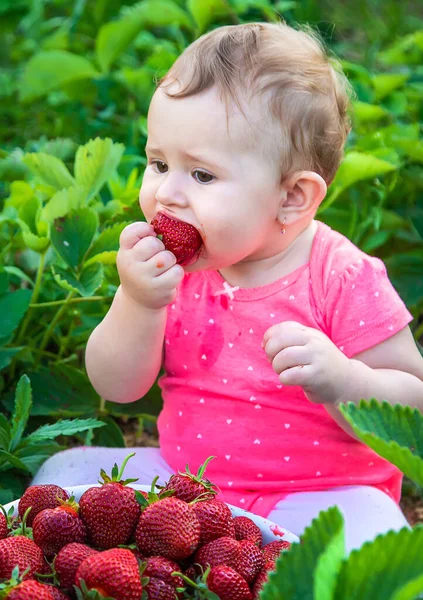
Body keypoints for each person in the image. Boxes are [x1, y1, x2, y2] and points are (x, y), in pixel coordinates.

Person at [33, 21, 423, 552]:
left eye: (202, 175)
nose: (166, 193)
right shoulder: (176, 272)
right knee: (63, 472)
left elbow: (413, 412)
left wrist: (344, 380)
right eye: (159, 163)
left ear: (291, 198)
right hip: (189, 489)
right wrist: (137, 302)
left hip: (321, 496)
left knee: (376, 533)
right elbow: (116, 387)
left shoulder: (342, 276)